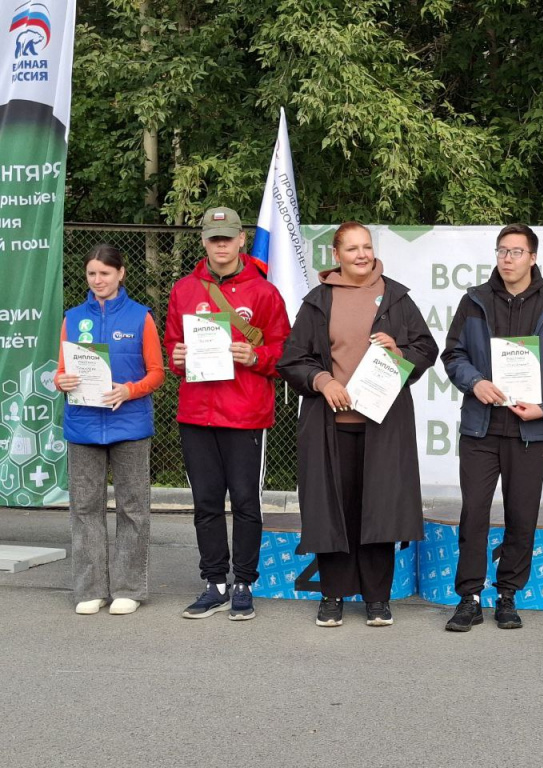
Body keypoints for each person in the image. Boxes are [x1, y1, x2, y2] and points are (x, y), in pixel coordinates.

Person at [277, 222, 438, 628]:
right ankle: (331, 595)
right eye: (352, 249)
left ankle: (377, 599)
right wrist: (322, 380)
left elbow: (426, 348)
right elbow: (292, 358)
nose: (362, 254)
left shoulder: (396, 297)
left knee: (379, 511)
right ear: (336, 255)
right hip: (329, 426)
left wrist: (399, 350)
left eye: (366, 246)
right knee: (332, 511)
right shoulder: (318, 300)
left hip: (384, 425)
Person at [441, 223, 543, 631]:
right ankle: (469, 598)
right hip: (481, 428)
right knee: (474, 514)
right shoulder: (474, 300)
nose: (507, 258)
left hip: (530, 431)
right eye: (502, 250)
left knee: (522, 516)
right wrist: (475, 382)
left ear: (533, 258)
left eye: (516, 251)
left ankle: (508, 595)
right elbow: (453, 355)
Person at [164, 206, 290, 621]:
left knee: (246, 502)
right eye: (214, 238)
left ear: (241, 240)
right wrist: (177, 358)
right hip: (197, 414)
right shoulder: (184, 289)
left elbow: (285, 352)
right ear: (204, 241)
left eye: (228, 237)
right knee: (205, 503)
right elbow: (173, 345)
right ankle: (214, 582)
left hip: (245, 414)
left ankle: (244, 583)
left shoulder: (265, 293)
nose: (221, 245)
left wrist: (256, 355)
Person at [55, 244, 165, 615]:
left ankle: (128, 589)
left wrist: (130, 390)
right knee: (85, 509)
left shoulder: (141, 317)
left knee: (133, 509)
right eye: (92, 273)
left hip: (129, 425)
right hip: (83, 426)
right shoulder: (72, 317)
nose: (98, 280)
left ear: (121, 274)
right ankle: (90, 589)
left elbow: (157, 373)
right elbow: (61, 371)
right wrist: (61, 380)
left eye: (105, 273)